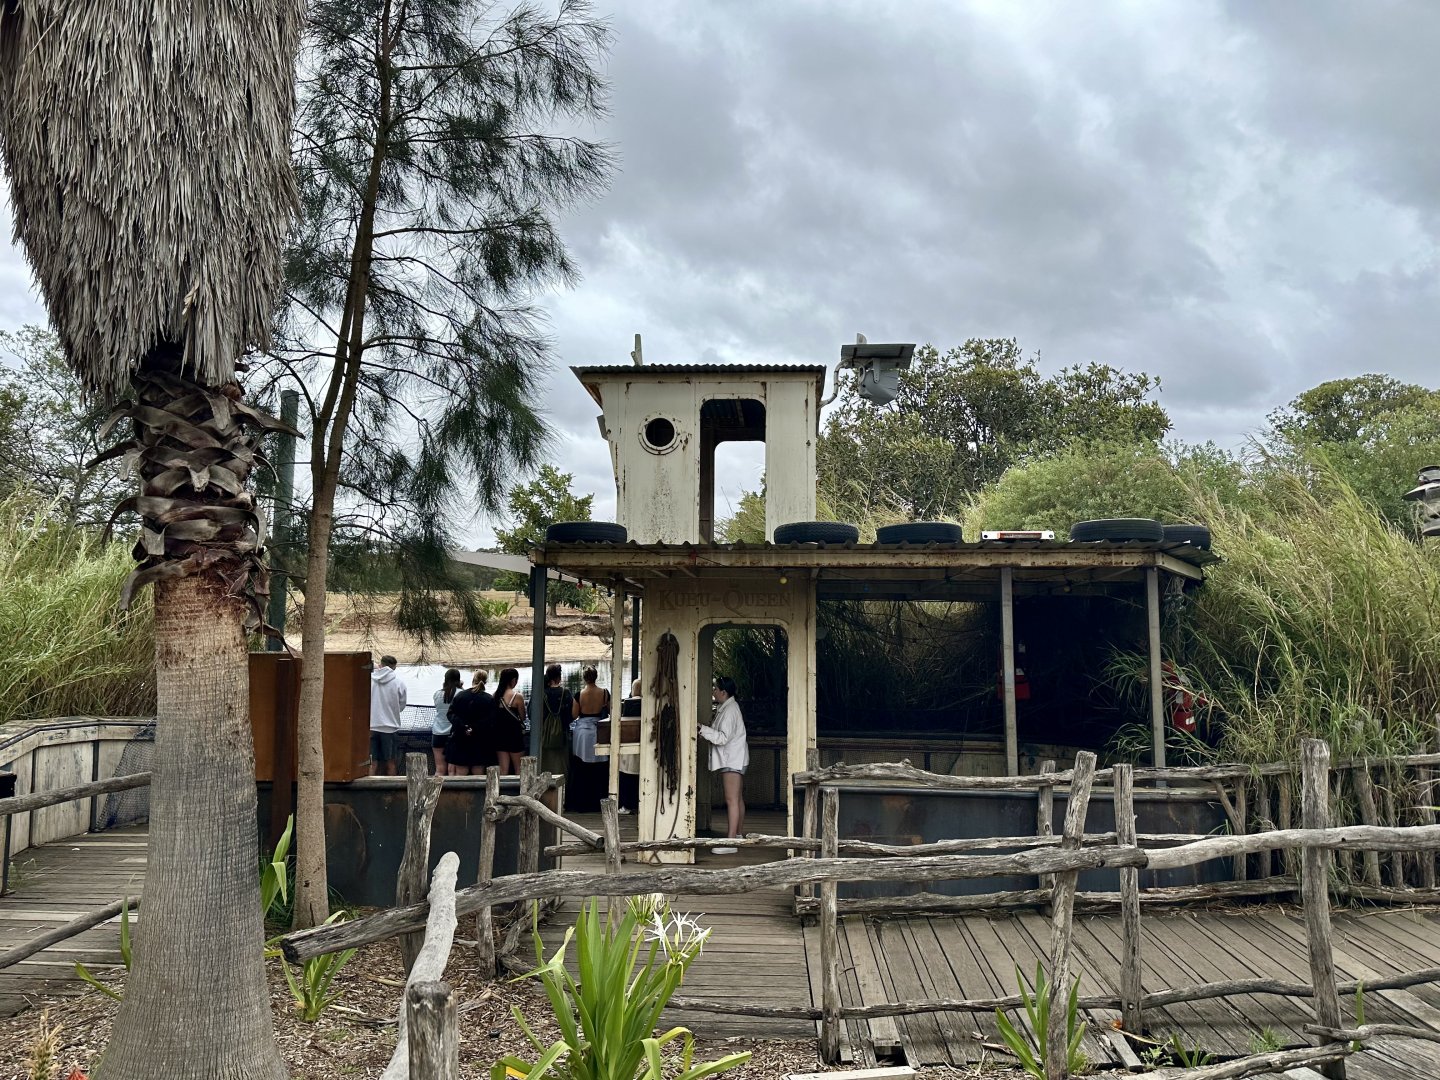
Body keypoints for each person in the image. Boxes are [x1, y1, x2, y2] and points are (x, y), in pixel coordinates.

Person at [699, 675, 748, 853]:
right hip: (735, 757)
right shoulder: (728, 708)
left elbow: (723, 738)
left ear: (724, 692)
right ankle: (738, 835)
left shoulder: (729, 711)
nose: (713, 692)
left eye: (715, 689)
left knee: (731, 800)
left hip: (732, 759)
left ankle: (731, 843)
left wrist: (702, 729)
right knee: (737, 799)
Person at [568, 665, 611, 813]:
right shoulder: (604, 693)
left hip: (583, 733)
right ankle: (600, 799)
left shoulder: (579, 694)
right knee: (600, 765)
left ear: (584, 678)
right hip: (599, 730)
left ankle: (582, 801)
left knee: (582, 765)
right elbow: (611, 710)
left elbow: (574, 715)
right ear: (596, 676)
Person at [447, 669, 497, 775]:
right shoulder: (488, 699)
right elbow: (491, 720)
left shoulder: (460, 696)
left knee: (461, 772)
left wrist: (464, 726)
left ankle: (460, 791)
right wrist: (474, 728)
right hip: (480, 739)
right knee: (478, 772)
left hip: (461, 738)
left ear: (473, 679)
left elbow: (451, 714)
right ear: (486, 681)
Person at [369, 654, 407, 776]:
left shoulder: (369, 680)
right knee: (391, 762)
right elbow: (401, 705)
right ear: (394, 668)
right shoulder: (399, 683)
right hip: (390, 727)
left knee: (371, 762)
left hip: (371, 726)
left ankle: (369, 790)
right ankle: (392, 791)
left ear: (381, 664)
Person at [540, 664, 574, 780]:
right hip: (562, 735)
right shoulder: (566, 693)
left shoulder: (541, 693)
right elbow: (572, 714)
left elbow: (532, 713)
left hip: (544, 735)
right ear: (559, 677)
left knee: (546, 765)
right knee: (562, 766)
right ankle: (562, 790)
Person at [493, 667, 527, 775]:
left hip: (499, 736)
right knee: (518, 768)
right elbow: (522, 717)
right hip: (514, 736)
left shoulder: (495, 696)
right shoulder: (517, 697)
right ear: (513, 680)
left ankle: (501, 790)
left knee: (503, 770)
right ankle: (519, 791)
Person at [430, 668, 462, 775]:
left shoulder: (437, 694)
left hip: (437, 732)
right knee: (452, 769)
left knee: (439, 769)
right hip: (453, 734)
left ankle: (436, 791)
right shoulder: (461, 693)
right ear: (458, 679)